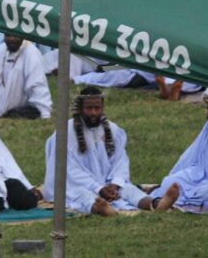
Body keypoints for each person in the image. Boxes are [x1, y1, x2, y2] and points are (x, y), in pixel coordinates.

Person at [44, 88, 179, 216]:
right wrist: (98, 189)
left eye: (97, 108)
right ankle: (101, 208)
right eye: (89, 108)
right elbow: (69, 171)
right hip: (75, 185)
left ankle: (157, 204)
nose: (93, 113)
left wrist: (115, 184)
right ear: (80, 109)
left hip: (108, 184)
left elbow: (120, 161)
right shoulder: (65, 132)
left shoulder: (112, 129)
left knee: (128, 189)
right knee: (84, 196)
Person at [0, 35, 52, 119]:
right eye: (8, 36)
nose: (11, 39)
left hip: (19, 99)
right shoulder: (2, 49)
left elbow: (37, 85)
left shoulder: (31, 53)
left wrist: (44, 112)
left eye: (15, 36)